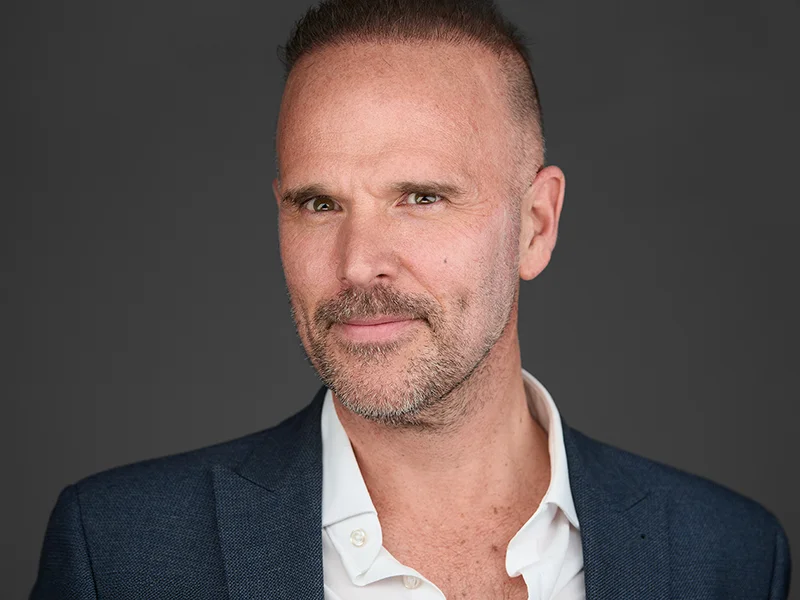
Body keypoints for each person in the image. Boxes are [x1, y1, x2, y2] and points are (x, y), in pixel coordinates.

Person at [30, 0, 791, 598]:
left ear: (536, 224)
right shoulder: (123, 553)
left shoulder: (726, 556)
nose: (358, 264)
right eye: (318, 204)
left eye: (421, 197)